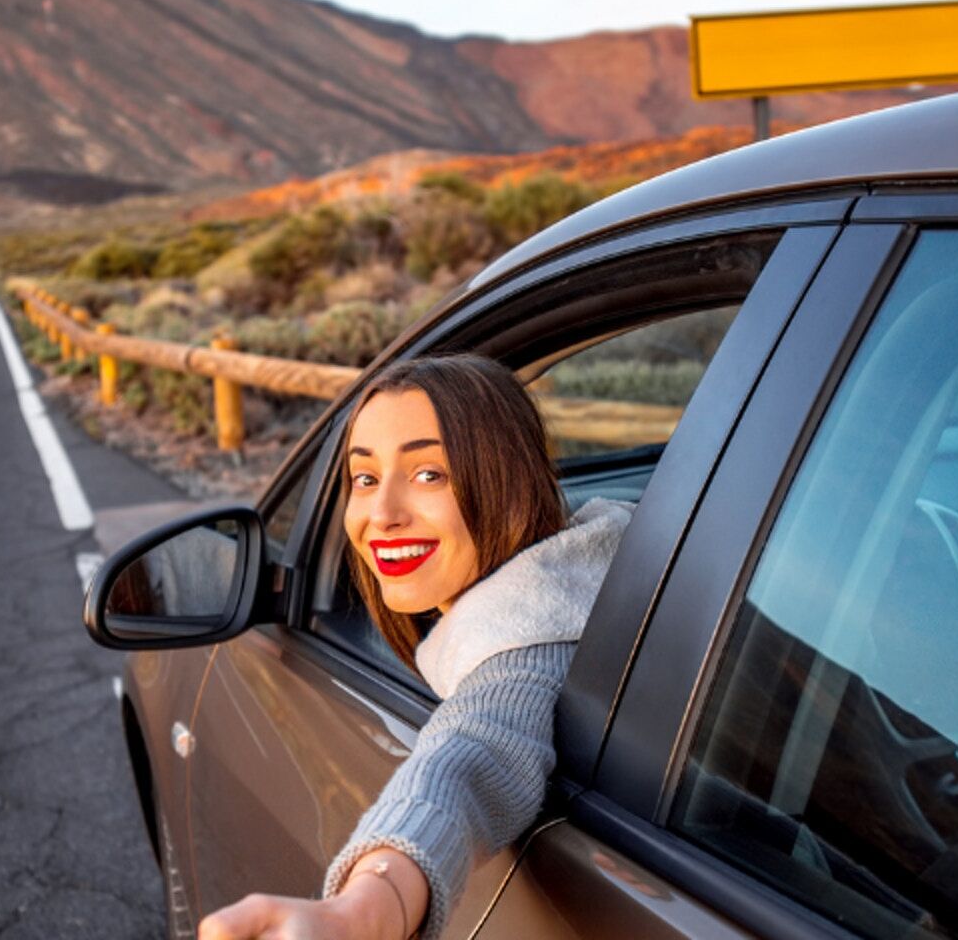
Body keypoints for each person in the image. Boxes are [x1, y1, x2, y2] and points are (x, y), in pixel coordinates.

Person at [198, 353, 634, 940]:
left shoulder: (526, 643)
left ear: (507, 481)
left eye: (430, 474)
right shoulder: (608, 566)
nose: (381, 515)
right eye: (365, 479)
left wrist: (361, 913)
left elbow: (470, 757)